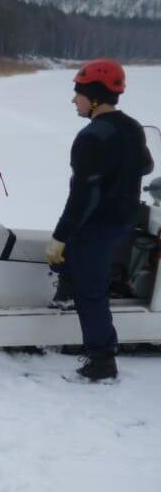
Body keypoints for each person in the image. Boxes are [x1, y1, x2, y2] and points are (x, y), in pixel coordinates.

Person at [45, 59, 154, 382]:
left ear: (93, 96)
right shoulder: (132, 127)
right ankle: (65, 295)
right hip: (124, 220)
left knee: (90, 293)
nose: (74, 100)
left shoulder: (91, 137)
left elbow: (83, 197)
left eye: (78, 93)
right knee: (72, 264)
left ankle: (102, 361)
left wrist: (61, 235)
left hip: (99, 224)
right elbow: (146, 166)